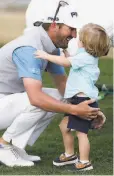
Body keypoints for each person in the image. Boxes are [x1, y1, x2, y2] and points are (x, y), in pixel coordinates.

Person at [0, 3, 100, 167]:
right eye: (71, 29)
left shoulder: (50, 47)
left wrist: (93, 110)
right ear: (55, 25)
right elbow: (36, 98)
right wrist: (75, 110)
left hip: (6, 100)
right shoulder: (29, 48)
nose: (75, 35)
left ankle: (15, 147)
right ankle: (3, 145)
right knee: (41, 100)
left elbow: (63, 85)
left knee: (60, 97)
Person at [35, 23, 110, 171]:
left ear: (85, 43)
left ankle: (84, 162)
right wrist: (67, 54)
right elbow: (72, 60)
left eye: (80, 38)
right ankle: (70, 154)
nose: (77, 39)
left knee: (81, 134)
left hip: (83, 101)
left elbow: (66, 63)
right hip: (77, 100)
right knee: (64, 126)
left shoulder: (86, 58)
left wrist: (46, 56)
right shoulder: (85, 57)